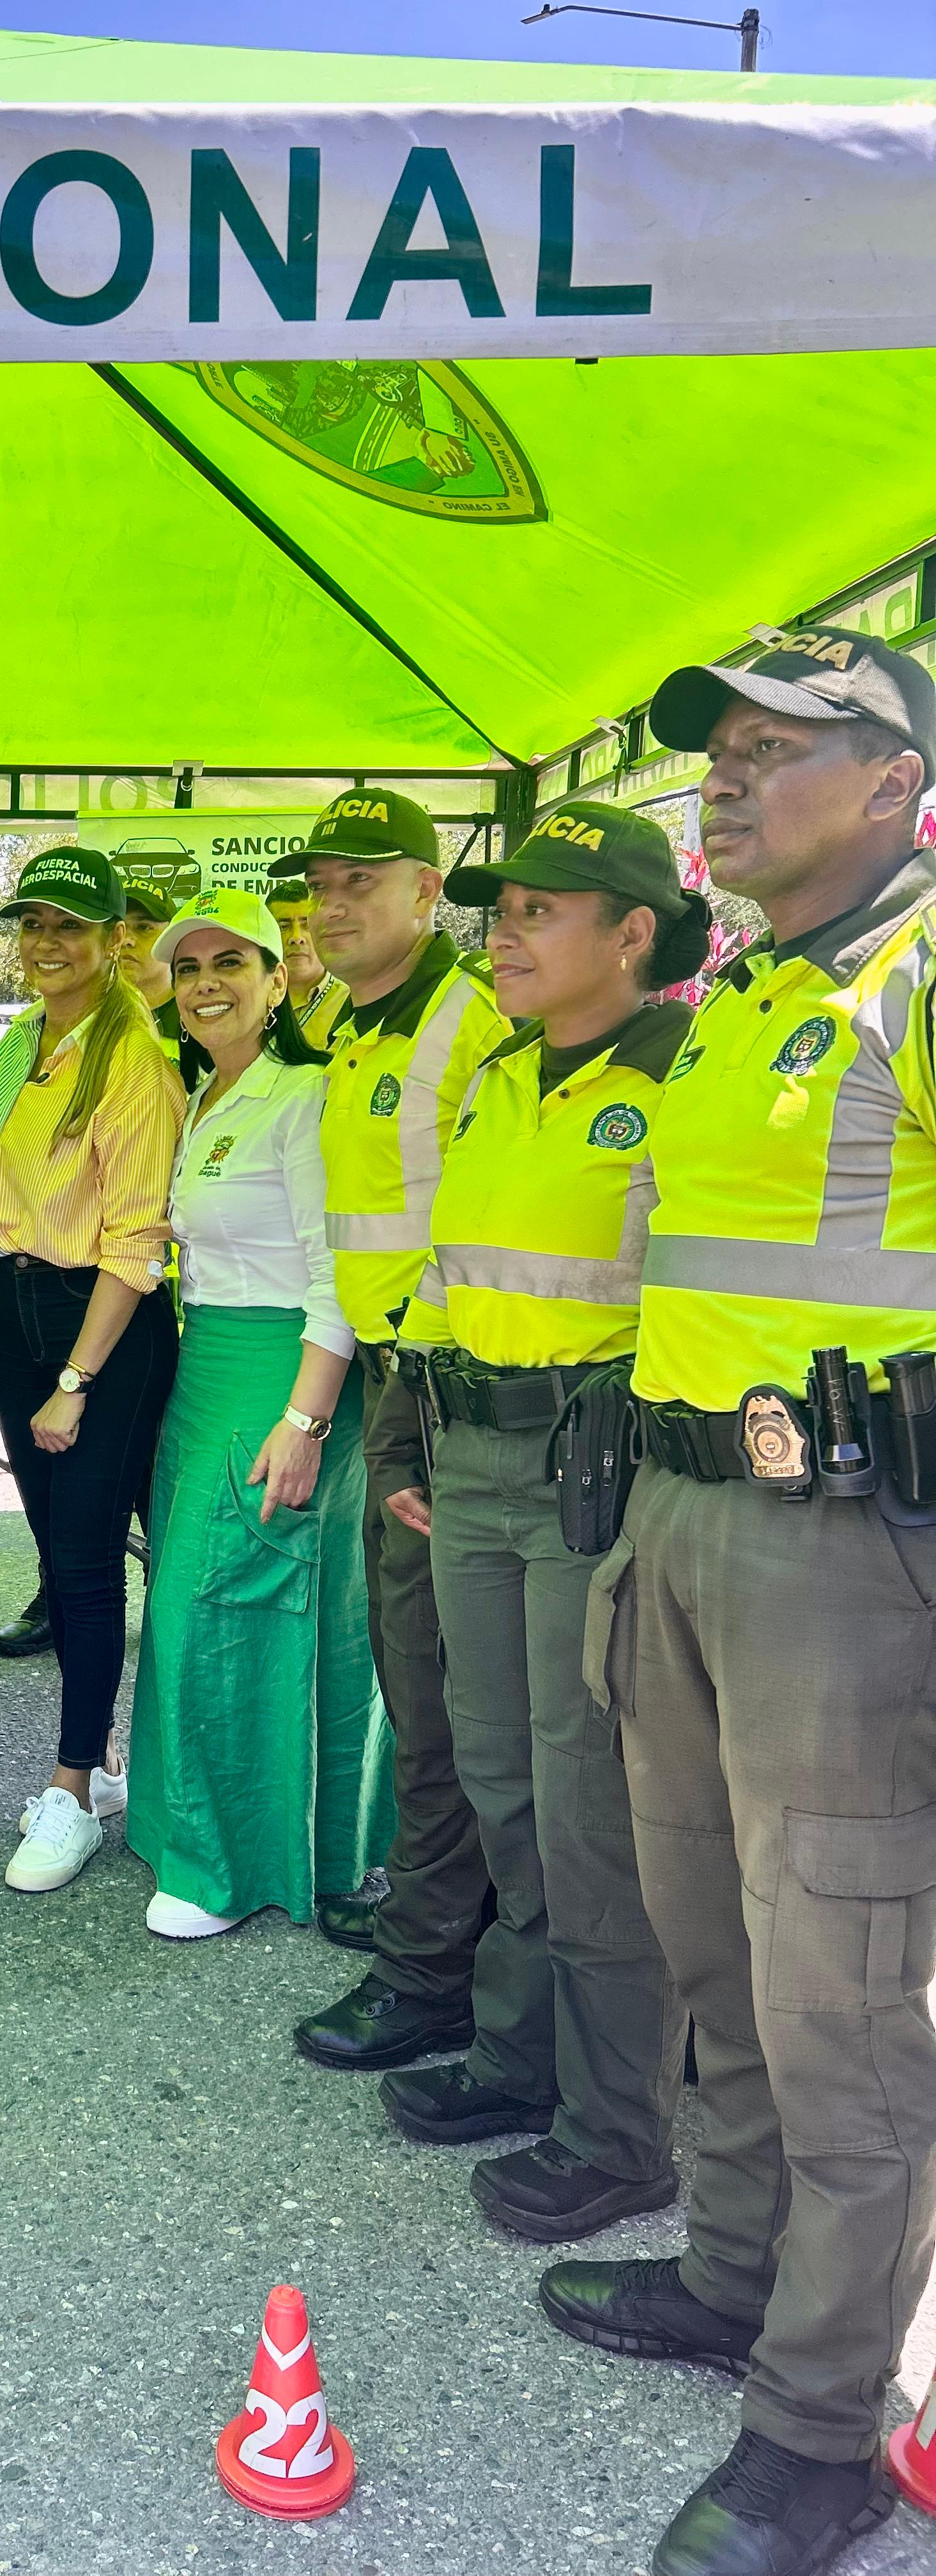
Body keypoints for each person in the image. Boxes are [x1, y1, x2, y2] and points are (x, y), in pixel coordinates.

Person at [537, 630, 936, 2576]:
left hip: (846, 1561)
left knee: (839, 2000)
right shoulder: (744, 994)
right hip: (682, 1523)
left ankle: (820, 2433)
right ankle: (736, 2275)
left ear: (898, 785)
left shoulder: (915, 973)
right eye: (724, 749)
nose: (731, 775)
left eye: (784, 750)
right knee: (713, 1951)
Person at [374, 802, 707, 2249]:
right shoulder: (503, 1076)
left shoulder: (685, 1076)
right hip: (471, 1460)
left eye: (535, 912)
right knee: (500, 1776)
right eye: (497, 912)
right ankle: (519, 2055)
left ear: (632, 933)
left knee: (589, 1811)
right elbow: (449, 1270)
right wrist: (407, 1416)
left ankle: (618, 2130)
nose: (500, 936)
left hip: (594, 1475)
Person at [124, 891, 389, 1939]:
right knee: (191, 1607)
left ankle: (232, 1862)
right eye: (189, 968)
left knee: (229, 1607)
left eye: (231, 962)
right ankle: (197, 1829)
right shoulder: (200, 1095)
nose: (206, 985)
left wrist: (305, 1421)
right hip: (205, 1373)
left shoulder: (305, 1097)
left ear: (279, 979)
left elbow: (338, 1272)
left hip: (284, 1376)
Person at [291, 787, 510, 2037]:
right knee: (414, 1670)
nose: (332, 904)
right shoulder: (352, 1023)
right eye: (320, 884)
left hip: (455, 1390)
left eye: (362, 881)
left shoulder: (468, 1020)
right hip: (399, 1384)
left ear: (430, 892)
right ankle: (450, 1922)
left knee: (442, 1688)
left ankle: (437, 1964)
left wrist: (425, 1399)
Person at [0, 845, 184, 1892]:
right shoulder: (28, 1040)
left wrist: (76, 1381)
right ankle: (95, 1771)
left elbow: (136, 1243)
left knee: (88, 1566)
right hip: (17, 1307)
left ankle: (73, 1789)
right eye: (34, 923)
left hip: (96, 1324)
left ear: (115, 938)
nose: (47, 941)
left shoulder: (132, 1058)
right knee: (62, 1553)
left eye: (71, 924)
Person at [266, 868, 351, 1053]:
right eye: (283, 927)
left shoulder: (352, 1002)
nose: (296, 938)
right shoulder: (253, 999)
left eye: (308, 925)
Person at [120, 878, 181, 1055]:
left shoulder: (199, 1016)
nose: (125, 940)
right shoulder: (85, 1014)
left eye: (144, 928)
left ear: (172, 939)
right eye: (117, 928)